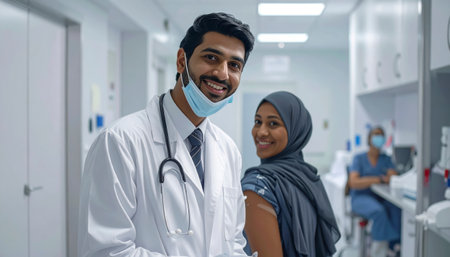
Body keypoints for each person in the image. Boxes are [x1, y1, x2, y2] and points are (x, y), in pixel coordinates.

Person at [78, 12, 255, 257]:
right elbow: (106, 250)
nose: (222, 74)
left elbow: (233, 241)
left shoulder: (228, 150)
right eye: (211, 57)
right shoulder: (120, 141)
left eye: (234, 65)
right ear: (182, 60)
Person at [241, 91, 340, 257]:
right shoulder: (308, 177)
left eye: (273, 124)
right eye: (258, 122)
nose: (261, 132)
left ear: (296, 130)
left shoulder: (257, 188)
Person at [348, 126, 401, 257]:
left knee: (396, 209)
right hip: (360, 198)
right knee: (379, 212)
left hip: (379, 198)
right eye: (376, 134)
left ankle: (395, 246)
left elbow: (392, 177)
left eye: (381, 135)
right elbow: (354, 182)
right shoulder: (359, 158)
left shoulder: (386, 159)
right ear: (370, 138)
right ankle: (378, 251)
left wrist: (366, 180)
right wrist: (378, 179)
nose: (379, 137)